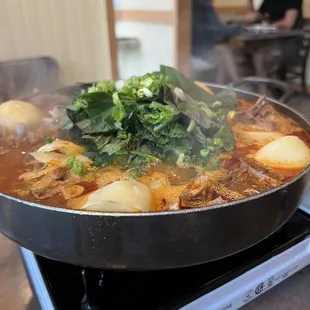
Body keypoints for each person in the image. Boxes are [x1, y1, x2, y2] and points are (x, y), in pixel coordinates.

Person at [244, 0, 304, 80]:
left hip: (289, 43)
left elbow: (288, 23)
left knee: (258, 56)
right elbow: (260, 14)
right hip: (273, 41)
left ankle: (263, 87)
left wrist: (269, 26)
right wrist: (251, 17)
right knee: (251, 51)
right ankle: (266, 86)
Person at [191, 0, 242, 84]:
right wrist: (240, 24)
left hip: (188, 51)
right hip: (199, 54)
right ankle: (238, 83)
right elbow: (219, 31)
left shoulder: (191, 3)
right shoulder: (204, 5)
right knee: (224, 51)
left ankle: (224, 86)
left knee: (222, 52)